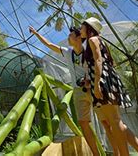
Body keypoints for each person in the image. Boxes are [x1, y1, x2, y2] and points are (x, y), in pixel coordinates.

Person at [81, 17, 138, 156]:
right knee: (116, 122)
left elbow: (99, 60)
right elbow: (109, 62)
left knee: (114, 121)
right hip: (108, 79)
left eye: (82, 27)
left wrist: (96, 85)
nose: (80, 29)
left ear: (89, 28)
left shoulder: (93, 40)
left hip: (102, 80)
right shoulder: (102, 41)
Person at [29, 26, 101, 156]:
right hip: (78, 90)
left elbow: (98, 66)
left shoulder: (88, 52)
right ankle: (96, 154)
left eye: (71, 35)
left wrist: (92, 81)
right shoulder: (68, 52)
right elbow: (49, 44)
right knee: (83, 123)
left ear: (79, 38)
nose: (68, 37)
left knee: (104, 120)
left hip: (94, 88)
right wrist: (36, 33)